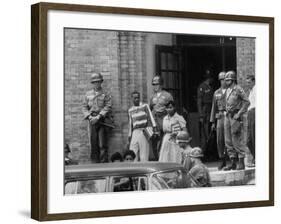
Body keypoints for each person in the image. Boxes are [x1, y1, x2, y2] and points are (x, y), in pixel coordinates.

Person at [82, 72, 113, 163]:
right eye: (95, 82)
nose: (97, 83)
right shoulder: (88, 94)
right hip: (92, 121)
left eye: (98, 81)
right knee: (93, 144)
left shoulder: (105, 93)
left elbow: (108, 106)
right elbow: (84, 107)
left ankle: (104, 164)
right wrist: (89, 116)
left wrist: (99, 116)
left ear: (101, 82)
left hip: (102, 121)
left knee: (102, 144)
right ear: (92, 83)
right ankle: (94, 164)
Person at [223, 71, 250, 171]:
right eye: (226, 80)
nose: (226, 82)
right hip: (228, 116)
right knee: (228, 140)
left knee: (236, 138)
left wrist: (239, 113)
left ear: (233, 79)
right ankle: (233, 162)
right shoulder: (227, 90)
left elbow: (247, 102)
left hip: (235, 115)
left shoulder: (238, 89)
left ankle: (241, 162)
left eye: (228, 80)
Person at [150, 75, 174, 160]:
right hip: (155, 122)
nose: (155, 86)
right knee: (155, 141)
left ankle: (164, 158)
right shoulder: (152, 97)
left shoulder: (167, 95)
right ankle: (158, 158)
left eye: (157, 84)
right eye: (153, 84)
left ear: (161, 84)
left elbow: (172, 108)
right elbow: (151, 108)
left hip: (164, 120)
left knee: (164, 141)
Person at [128, 91, 157, 161]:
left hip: (143, 131)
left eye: (138, 97)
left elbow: (151, 117)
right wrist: (129, 135)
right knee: (132, 151)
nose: (137, 99)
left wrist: (154, 128)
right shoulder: (130, 110)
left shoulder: (145, 106)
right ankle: (134, 169)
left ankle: (144, 167)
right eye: (135, 98)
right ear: (131, 99)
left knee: (144, 153)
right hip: (135, 132)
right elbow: (130, 123)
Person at [210, 71, 227, 170]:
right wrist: (212, 122)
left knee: (229, 139)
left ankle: (232, 159)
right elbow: (214, 107)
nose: (222, 81)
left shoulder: (231, 91)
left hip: (229, 116)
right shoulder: (216, 93)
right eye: (221, 79)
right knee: (220, 139)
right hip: (220, 117)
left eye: (224, 79)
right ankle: (222, 159)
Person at [197, 69, 215, 148]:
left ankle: (211, 150)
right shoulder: (202, 87)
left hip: (211, 109)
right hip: (205, 110)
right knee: (205, 132)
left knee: (212, 131)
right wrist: (201, 115)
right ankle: (205, 150)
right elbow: (199, 101)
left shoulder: (211, 87)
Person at [246, 74, 256, 166]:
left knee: (253, 137)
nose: (248, 84)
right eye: (247, 83)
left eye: (249, 82)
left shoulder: (256, 90)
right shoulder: (251, 91)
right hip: (250, 114)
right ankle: (255, 157)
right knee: (248, 140)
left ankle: (256, 158)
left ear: (253, 81)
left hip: (254, 113)